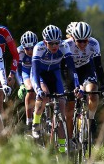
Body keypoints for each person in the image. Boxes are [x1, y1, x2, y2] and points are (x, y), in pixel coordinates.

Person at [30, 25, 79, 155]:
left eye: (57, 42)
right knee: (44, 95)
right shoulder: (38, 48)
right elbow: (34, 73)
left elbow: (71, 69)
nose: (54, 46)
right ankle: (35, 123)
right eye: (51, 43)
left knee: (61, 114)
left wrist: (77, 85)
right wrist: (37, 90)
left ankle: (62, 150)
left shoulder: (64, 46)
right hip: (40, 75)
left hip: (55, 74)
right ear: (45, 42)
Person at [63, 21, 104, 140]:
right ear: (73, 38)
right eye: (79, 41)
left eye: (85, 41)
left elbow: (98, 66)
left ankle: (90, 119)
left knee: (93, 92)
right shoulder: (66, 45)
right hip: (70, 72)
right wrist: (66, 87)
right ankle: (69, 139)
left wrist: (103, 85)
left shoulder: (94, 44)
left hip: (86, 68)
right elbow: (62, 67)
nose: (83, 44)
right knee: (70, 107)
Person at [16, 31, 37, 130]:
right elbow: (17, 69)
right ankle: (29, 120)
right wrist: (21, 84)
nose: (30, 51)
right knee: (30, 89)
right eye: (27, 49)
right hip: (26, 72)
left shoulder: (40, 48)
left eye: (32, 48)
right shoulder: (19, 51)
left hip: (37, 70)